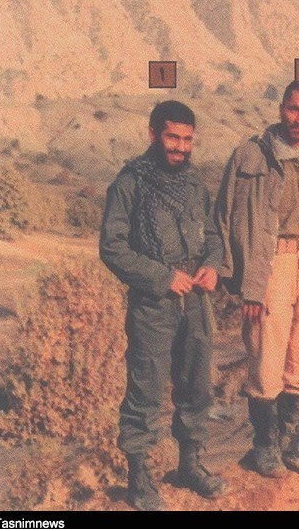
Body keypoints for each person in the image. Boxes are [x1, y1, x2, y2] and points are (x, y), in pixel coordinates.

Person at [215, 82, 299, 480]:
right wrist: (247, 283)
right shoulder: (251, 155)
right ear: (280, 108)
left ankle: (292, 447)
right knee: (265, 358)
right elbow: (225, 218)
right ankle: (265, 448)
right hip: (269, 262)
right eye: (293, 109)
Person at [100, 100, 226, 510]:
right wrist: (161, 277)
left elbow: (213, 237)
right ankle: (139, 480)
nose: (180, 147)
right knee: (146, 390)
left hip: (196, 301)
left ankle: (189, 466)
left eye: (187, 139)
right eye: (173, 137)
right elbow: (112, 247)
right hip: (153, 304)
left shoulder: (195, 186)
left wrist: (211, 266)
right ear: (153, 134)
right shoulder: (130, 183)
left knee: (196, 386)